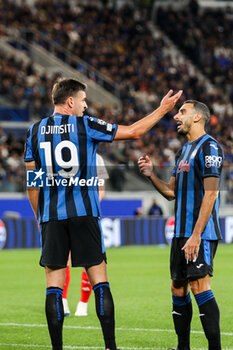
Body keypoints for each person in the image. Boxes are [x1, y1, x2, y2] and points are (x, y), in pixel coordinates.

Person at [24, 77, 182, 350]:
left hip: (52, 216)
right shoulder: (87, 125)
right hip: (85, 214)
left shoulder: (35, 131)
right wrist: (162, 110)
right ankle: (110, 346)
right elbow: (134, 131)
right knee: (100, 281)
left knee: (54, 285)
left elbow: (32, 183)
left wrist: (40, 217)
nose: (86, 106)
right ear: (70, 101)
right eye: (84, 101)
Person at [138, 100, 223, 350]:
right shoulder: (183, 151)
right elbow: (170, 192)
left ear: (197, 117)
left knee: (199, 286)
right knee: (177, 287)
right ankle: (182, 347)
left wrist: (196, 235)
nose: (177, 116)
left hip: (201, 234)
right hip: (180, 233)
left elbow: (211, 194)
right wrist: (152, 175)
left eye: (182, 112)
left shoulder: (210, 148)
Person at [62, 153, 109, 317]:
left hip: (87, 214)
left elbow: (101, 189)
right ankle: (63, 301)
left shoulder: (97, 158)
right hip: (66, 212)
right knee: (64, 257)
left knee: (88, 259)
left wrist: (91, 207)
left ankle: (83, 303)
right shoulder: (66, 154)